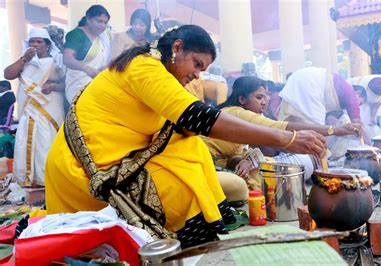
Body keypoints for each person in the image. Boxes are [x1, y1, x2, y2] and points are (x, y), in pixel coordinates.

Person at [44, 25, 326, 248]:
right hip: (87, 165)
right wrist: (285, 139)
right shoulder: (144, 67)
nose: (196, 75)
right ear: (177, 48)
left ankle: (197, 233)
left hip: (121, 153)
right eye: (196, 64)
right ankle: (182, 238)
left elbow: (186, 126)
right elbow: (199, 117)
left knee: (190, 148)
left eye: (202, 70)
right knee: (178, 184)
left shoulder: (161, 72)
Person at [203, 76, 361, 189]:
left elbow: (233, 154)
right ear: (242, 99)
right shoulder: (237, 113)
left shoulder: (241, 114)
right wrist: (335, 130)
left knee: (266, 167)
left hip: (221, 169)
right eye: (259, 97)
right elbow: (281, 127)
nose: (264, 102)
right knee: (260, 175)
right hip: (206, 170)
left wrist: (242, 162)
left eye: (266, 97)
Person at [4, 28, 65, 187]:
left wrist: (52, 86)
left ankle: (50, 179)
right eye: (32, 41)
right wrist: (24, 59)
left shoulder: (56, 61)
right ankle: (30, 180)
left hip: (50, 107)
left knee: (47, 139)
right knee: (27, 139)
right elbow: (8, 74)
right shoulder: (25, 62)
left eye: (39, 41)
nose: (36, 44)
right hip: (29, 108)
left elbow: (66, 84)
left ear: (47, 45)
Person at [278, 67, 363, 158]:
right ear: (358, 94)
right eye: (360, 103)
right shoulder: (352, 95)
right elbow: (357, 124)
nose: (359, 105)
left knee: (297, 123)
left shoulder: (341, 89)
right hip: (310, 85)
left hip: (300, 80)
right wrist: (365, 143)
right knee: (315, 134)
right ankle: (318, 159)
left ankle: (299, 156)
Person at [63, 5, 112, 103]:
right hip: (78, 85)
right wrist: (86, 68)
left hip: (99, 83)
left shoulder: (104, 37)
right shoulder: (77, 34)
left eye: (105, 23)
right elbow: (67, 58)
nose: (102, 25)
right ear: (88, 19)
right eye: (99, 21)